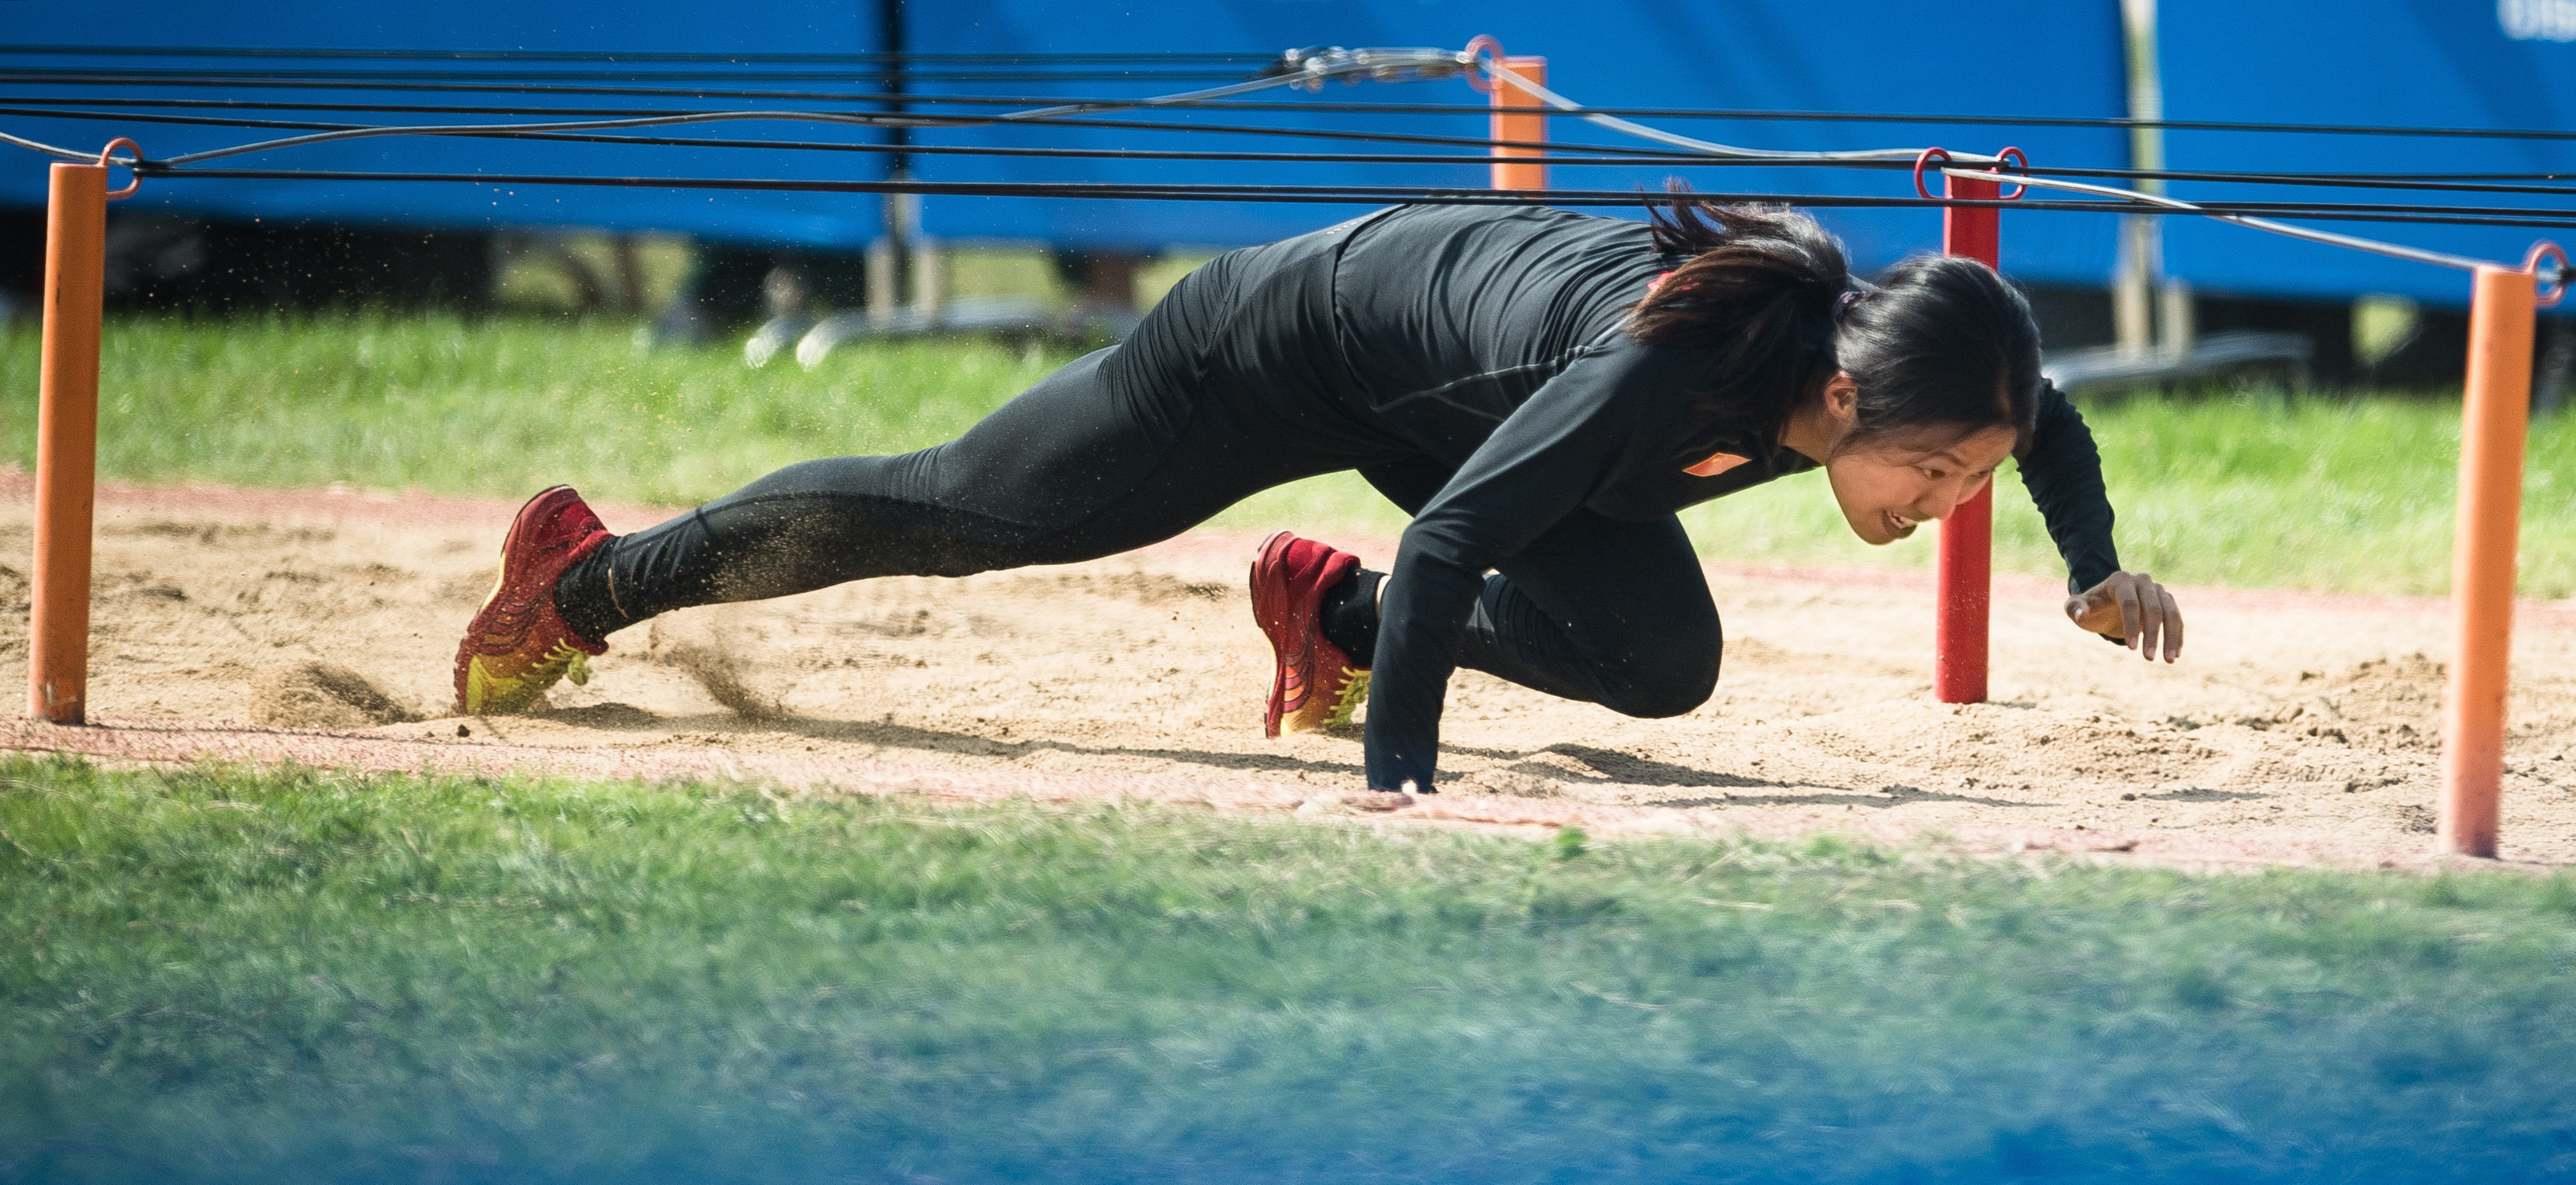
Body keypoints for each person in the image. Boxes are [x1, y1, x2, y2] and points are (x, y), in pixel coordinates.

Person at [453, 197, 2183, 793]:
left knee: (1659, 656)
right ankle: (590, 577)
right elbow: (1456, 537)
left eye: (1964, 480)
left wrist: (2087, 568)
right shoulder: (1655, 385)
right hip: (1281, 342)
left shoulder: (1894, 385)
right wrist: (1402, 783)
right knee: (975, 510)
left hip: (1453, 409)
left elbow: (2039, 424)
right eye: (1931, 473)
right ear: (1836, 394)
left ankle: (1320, 614)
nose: (1944, 501)